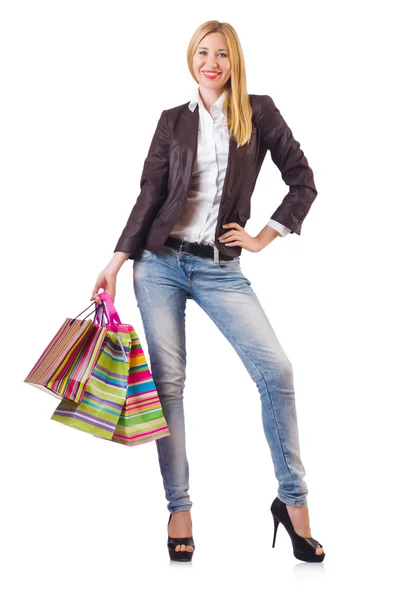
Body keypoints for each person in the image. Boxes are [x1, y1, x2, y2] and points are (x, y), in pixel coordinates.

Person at [91, 20, 325, 563]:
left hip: (221, 267)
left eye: (221, 53)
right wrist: (118, 257)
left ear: (234, 60)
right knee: (168, 384)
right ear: (190, 58)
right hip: (159, 264)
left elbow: (303, 179)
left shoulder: (257, 111)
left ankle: (293, 505)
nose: (211, 62)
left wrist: (266, 236)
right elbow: (150, 192)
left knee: (277, 371)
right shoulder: (173, 121)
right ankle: (179, 509)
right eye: (202, 52)